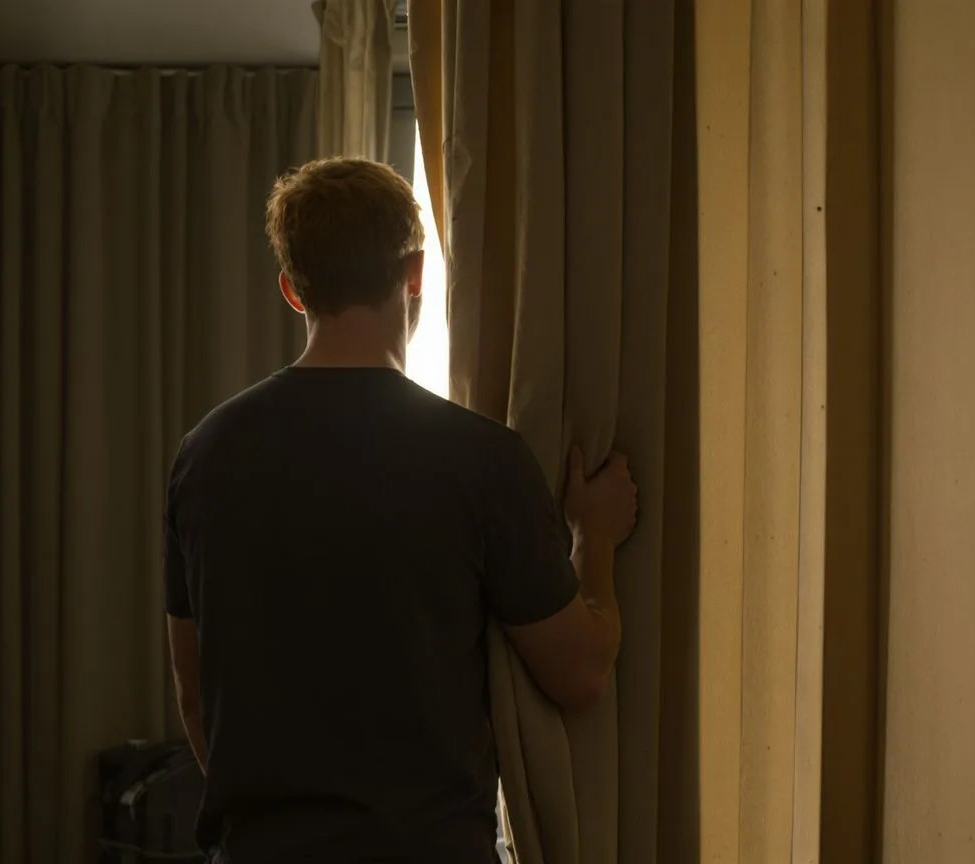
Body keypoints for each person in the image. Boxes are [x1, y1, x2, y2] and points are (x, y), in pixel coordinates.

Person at [163, 157, 638, 863]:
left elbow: (198, 696)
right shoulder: (481, 460)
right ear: (414, 273)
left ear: (292, 290)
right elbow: (582, 673)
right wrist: (592, 537)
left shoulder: (205, 458)